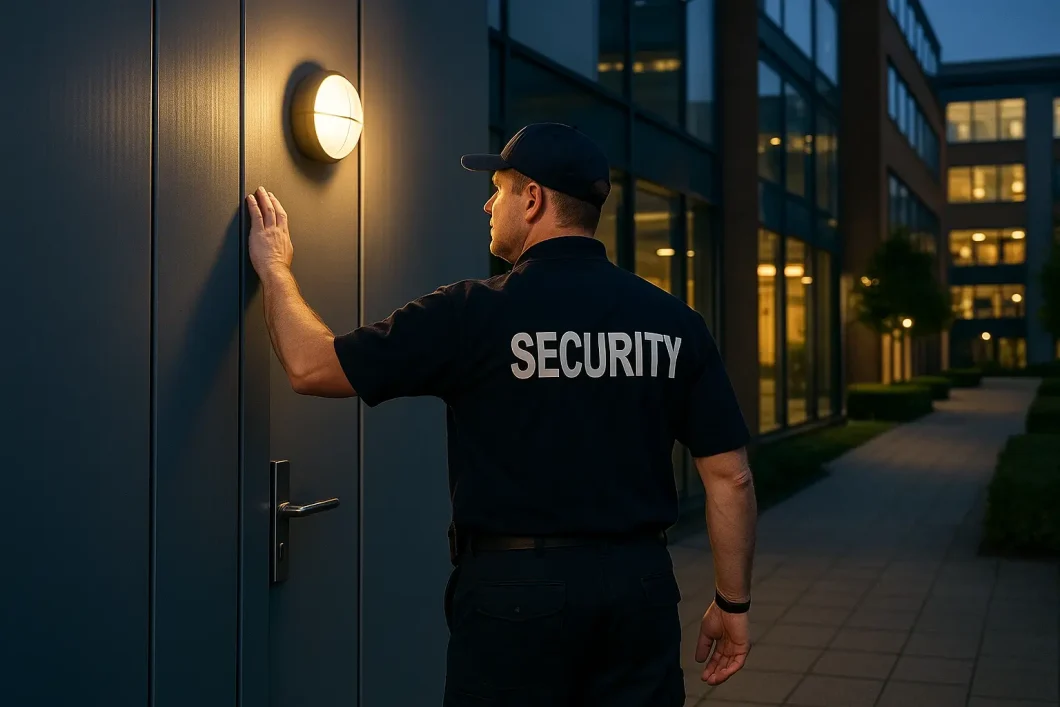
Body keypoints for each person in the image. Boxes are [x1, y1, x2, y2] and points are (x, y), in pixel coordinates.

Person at [245, 122, 757, 706]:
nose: (489, 204)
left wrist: (276, 269)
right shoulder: (674, 322)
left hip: (515, 595)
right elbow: (731, 476)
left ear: (533, 199)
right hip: (638, 592)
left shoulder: (471, 314)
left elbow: (311, 367)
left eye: (499, 188)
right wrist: (732, 603)